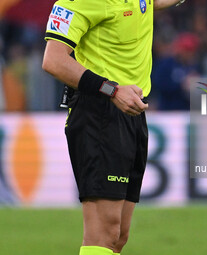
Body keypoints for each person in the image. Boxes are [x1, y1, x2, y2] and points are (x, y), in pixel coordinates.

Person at [42, 0, 185, 255]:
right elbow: (53, 60)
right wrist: (112, 90)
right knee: (103, 234)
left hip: (131, 112)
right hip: (99, 111)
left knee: (118, 236)